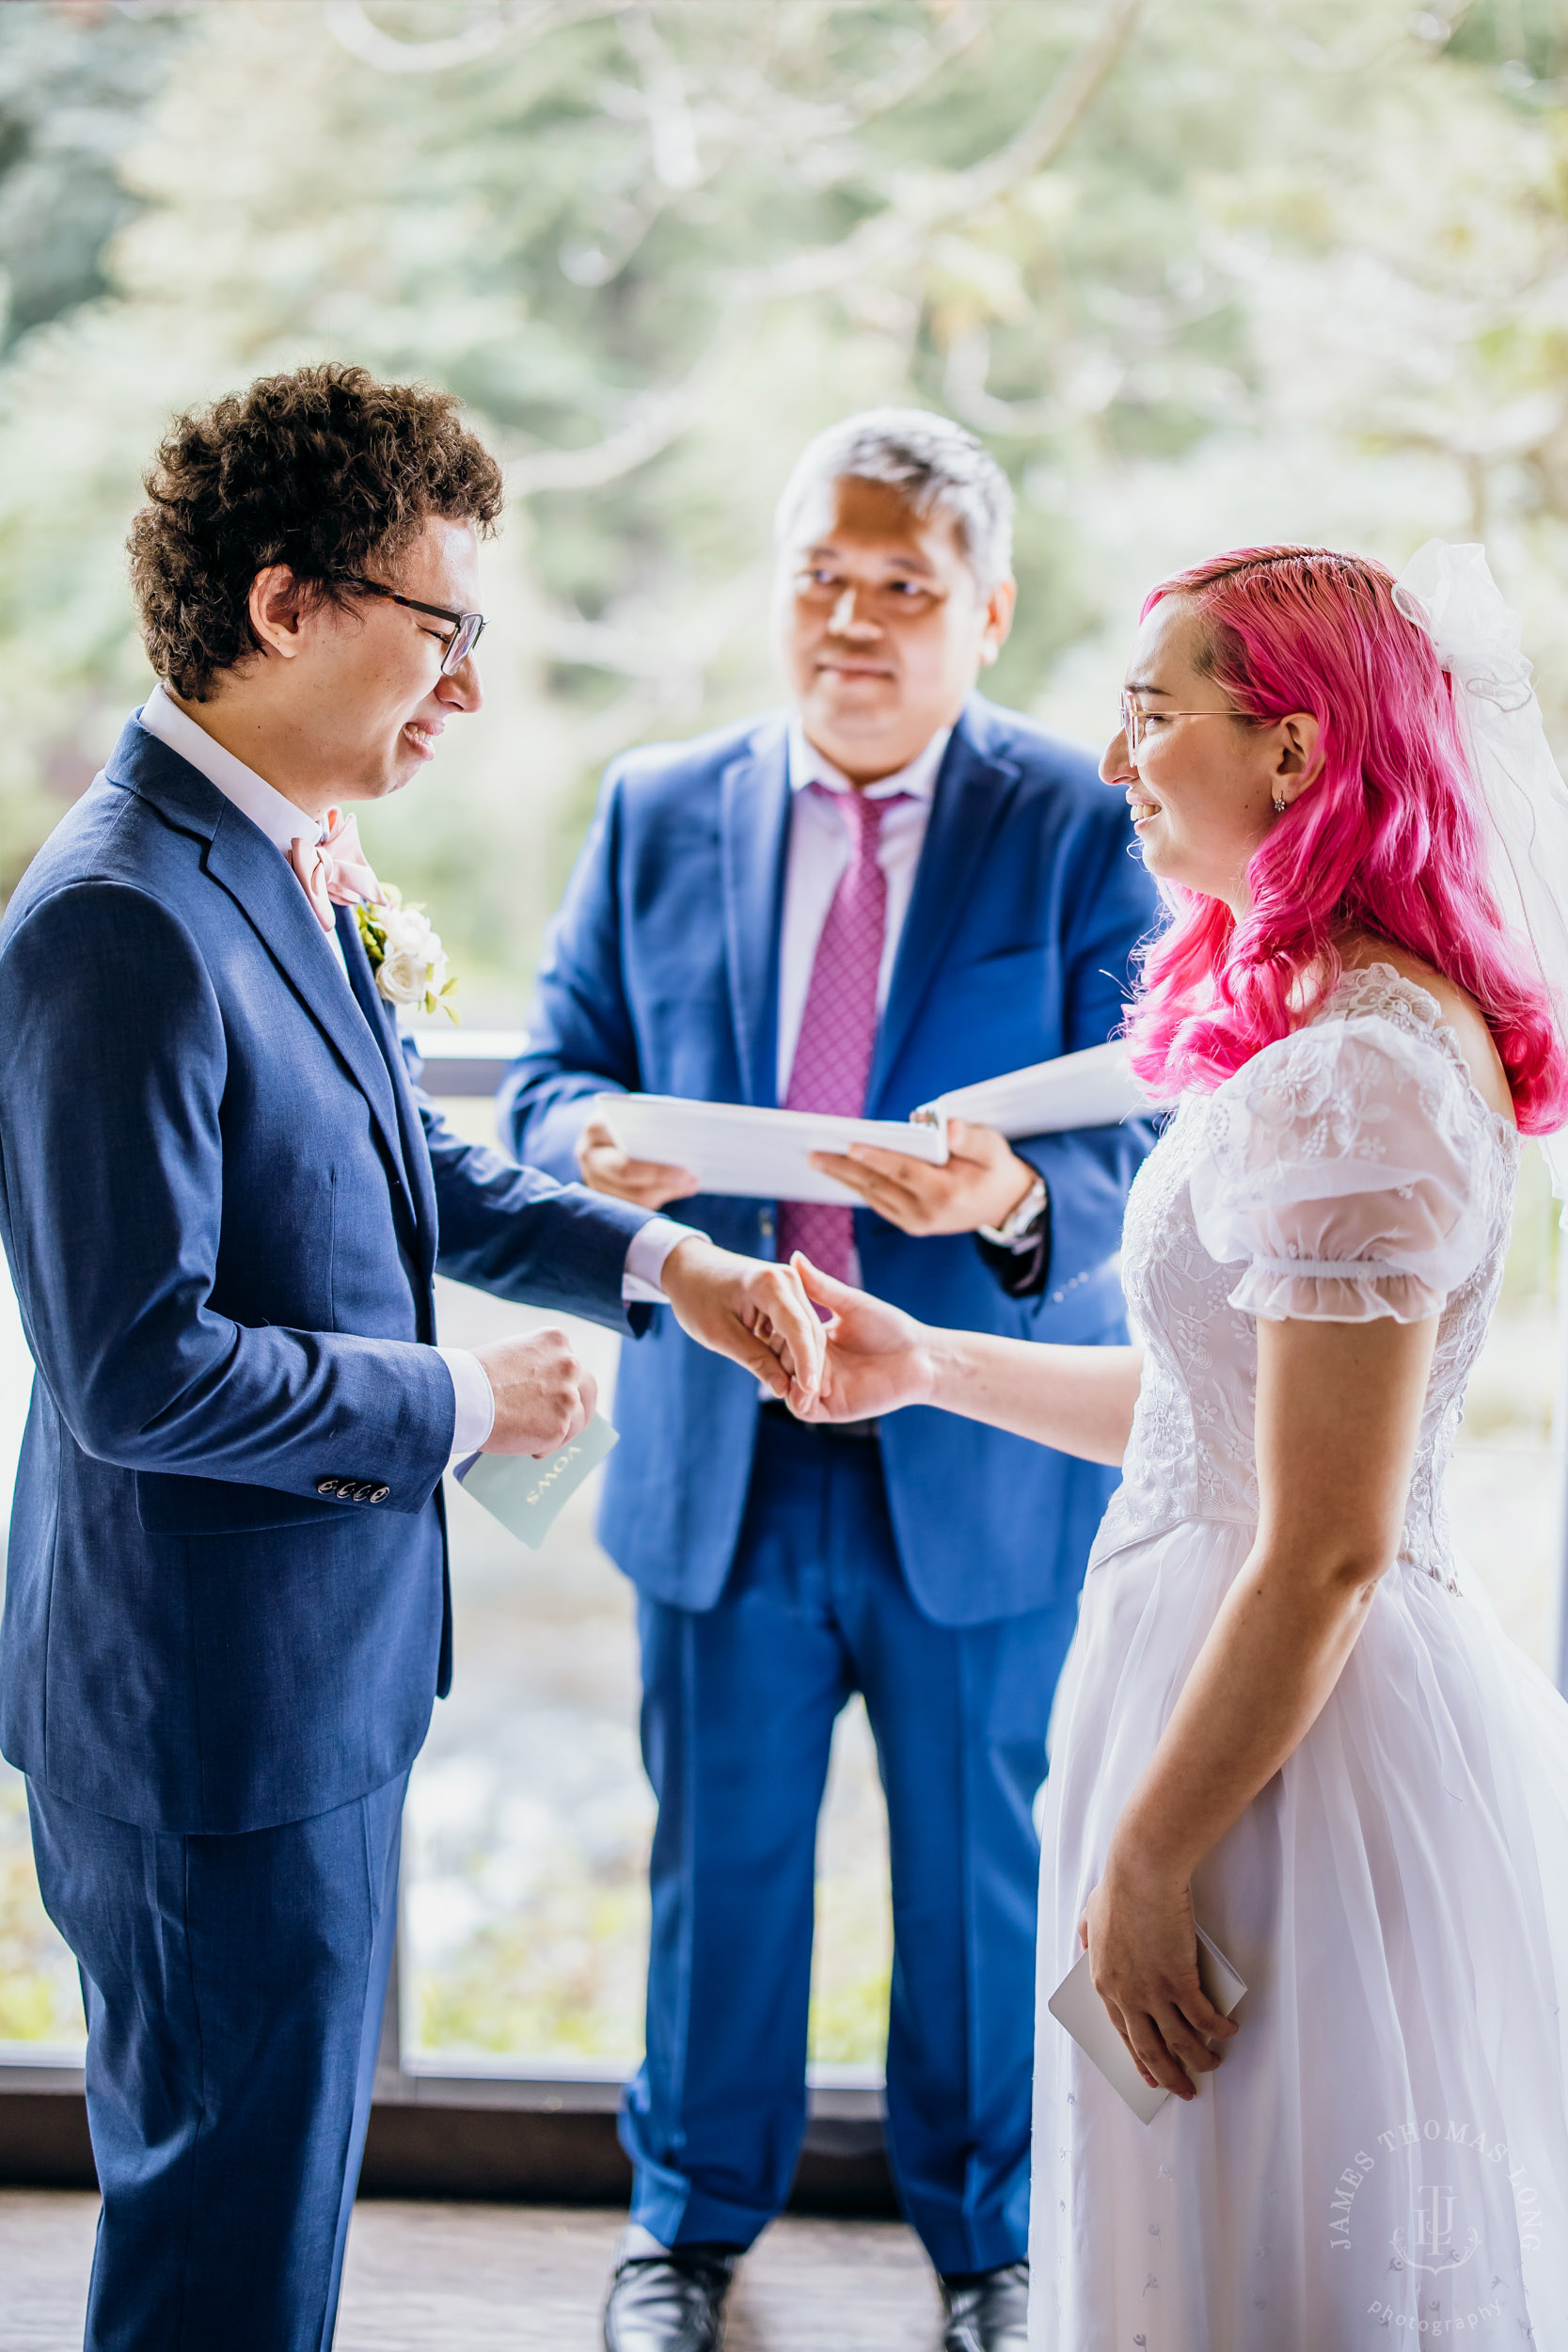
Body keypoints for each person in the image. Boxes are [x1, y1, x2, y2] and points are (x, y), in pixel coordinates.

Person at [0, 362, 824, 2352]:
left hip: (313, 1678)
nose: (467, 683)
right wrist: (468, 1401)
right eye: (441, 626)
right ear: (285, 603)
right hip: (205, 1722)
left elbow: (403, 1163)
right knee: (215, 2253)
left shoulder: (281, 854)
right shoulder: (116, 921)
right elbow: (140, 1370)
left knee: (270, 2219)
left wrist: (664, 1261)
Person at [782, 541, 1568, 2348]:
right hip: (1215, 1697)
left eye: (1153, 714)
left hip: (1284, 1759)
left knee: (1267, 2249)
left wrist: (1149, 1857)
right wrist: (929, 1366)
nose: (1117, 758)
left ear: (1293, 753)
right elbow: (1230, 1417)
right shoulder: (1320, 1033)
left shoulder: (1358, 1075)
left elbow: (1327, 1547)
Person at [503, 408, 1158, 2352]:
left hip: (969, 1432)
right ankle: (686, 2228)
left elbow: (1145, 1128)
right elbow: (549, 1081)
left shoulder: (1081, 820)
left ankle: (994, 2242)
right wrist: (597, 1135)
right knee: (724, 1862)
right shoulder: (656, 804)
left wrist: (1019, 1186)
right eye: (822, 576)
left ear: (988, 609)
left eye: (903, 587)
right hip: (726, 1440)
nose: (853, 622)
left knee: (980, 1867)